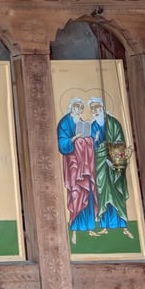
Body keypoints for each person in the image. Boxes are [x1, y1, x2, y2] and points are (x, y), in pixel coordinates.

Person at [88, 96, 133, 237]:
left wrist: (112, 155)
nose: (95, 110)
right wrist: (96, 142)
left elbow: (120, 141)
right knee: (103, 193)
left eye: (97, 107)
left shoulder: (113, 123)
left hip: (114, 163)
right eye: (93, 108)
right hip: (100, 164)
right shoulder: (93, 126)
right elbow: (91, 146)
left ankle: (123, 225)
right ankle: (105, 225)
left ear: (103, 108)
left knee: (116, 192)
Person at [57, 96, 99, 244]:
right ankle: (74, 229)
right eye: (76, 107)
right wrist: (75, 138)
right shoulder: (64, 122)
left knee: (87, 194)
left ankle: (89, 227)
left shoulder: (82, 123)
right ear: (71, 107)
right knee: (75, 194)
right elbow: (62, 143)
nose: (78, 110)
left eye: (80, 108)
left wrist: (93, 139)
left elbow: (91, 142)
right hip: (73, 165)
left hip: (85, 165)